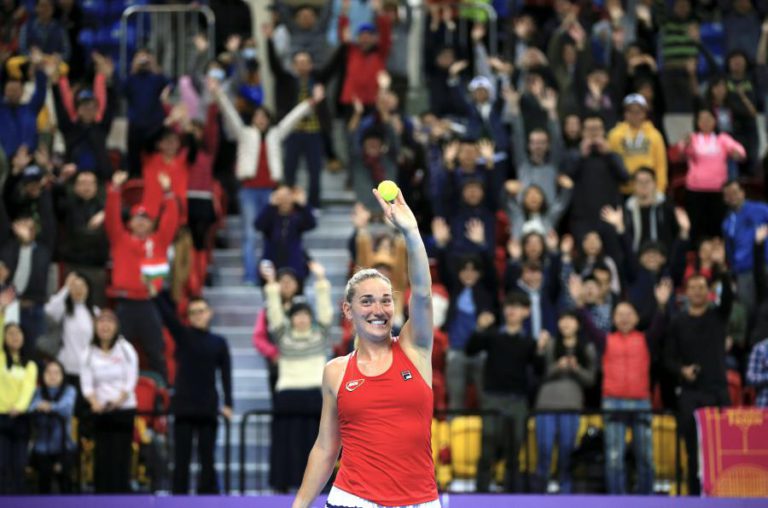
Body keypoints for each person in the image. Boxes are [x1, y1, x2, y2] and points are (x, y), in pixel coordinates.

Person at [291, 188, 438, 507]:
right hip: (352, 500)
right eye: (367, 301)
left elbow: (423, 295)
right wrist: (299, 505)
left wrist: (411, 232)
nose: (378, 309)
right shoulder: (336, 371)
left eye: (386, 300)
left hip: (420, 502)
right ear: (348, 311)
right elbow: (326, 447)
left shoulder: (416, 348)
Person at [209, 78, 324, 285]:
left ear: (268, 119)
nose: (261, 119)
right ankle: (251, 277)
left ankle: (270, 276)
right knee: (250, 235)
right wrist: (218, 94)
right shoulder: (244, 133)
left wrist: (311, 103)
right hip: (249, 189)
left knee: (271, 236)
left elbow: (292, 118)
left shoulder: (275, 134)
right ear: (253, 119)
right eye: (257, 116)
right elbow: (230, 114)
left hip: (272, 191)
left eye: (264, 116)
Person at [574, 276, 673, 495]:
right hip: (613, 401)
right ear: (613, 318)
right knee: (614, 457)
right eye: (620, 314)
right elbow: (588, 325)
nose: (624, 318)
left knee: (646, 457)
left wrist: (662, 304)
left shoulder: (646, 339)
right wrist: (580, 305)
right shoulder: (605, 340)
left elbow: (660, 323)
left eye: (629, 314)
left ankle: (647, 500)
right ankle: (616, 501)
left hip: (640, 402)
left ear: (637, 318)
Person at [149, 287, 232, 495]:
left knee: (207, 457)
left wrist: (229, 403)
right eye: (194, 312)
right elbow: (168, 317)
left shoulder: (219, 343)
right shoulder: (183, 335)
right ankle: (179, 499)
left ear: (209, 313)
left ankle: (208, 500)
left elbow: (226, 374)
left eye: (202, 311)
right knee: (181, 458)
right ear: (189, 317)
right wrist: (155, 293)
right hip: (184, 407)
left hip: (207, 407)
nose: (198, 315)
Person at [465, 292, 547, 492]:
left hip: (517, 400)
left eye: (517, 306)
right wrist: (479, 328)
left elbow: (539, 370)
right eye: (509, 305)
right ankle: (481, 493)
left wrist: (541, 351)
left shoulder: (529, 342)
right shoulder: (493, 336)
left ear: (527, 312)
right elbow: (470, 350)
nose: (511, 310)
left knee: (515, 448)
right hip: (493, 397)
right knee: (488, 445)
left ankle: (511, 495)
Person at [265, 261, 332, 492]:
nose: (302, 319)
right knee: (286, 444)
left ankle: (320, 487)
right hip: (287, 396)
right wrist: (272, 285)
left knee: (317, 444)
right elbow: (274, 313)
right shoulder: (283, 336)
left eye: (305, 315)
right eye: (297, 315)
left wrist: (321, 280)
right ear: (291, 318)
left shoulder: (320, 335)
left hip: (315, 396)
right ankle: (284, 487)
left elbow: (325, 312)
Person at [105, 170, 178, 383]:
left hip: (148, 303)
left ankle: (163, 394)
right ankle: (114, 389)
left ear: (152, 224)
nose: (141, 223)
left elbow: (171, 221)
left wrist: (168, 193)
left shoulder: (159, 241)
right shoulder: (120, 239)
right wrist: (115, 191)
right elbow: (111, 218)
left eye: (146, 219)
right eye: (137, 218)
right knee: (117, 352)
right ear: (130, 222)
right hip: (125, 303)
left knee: (156, 350)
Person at [665, 273, 733, 495]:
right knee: (693, 450)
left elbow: (729, 298)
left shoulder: (718, 316)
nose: (696, 291)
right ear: (685, 293)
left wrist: (722, 271)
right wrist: (682, 370)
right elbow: (668, 359)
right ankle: (695, 497)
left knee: (724, 448)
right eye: (692, 287)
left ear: (709, 292)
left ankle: (724, 494)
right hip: (690, 394)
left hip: (718, 392)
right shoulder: (678, 322)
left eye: (701, 287)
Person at [533, 310, 597, 494]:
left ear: (578, 324)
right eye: (562, 319)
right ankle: (540, 492)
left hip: (571, 405)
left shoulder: (587, 348)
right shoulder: (551, 344)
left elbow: (591, 379)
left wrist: (576, 368)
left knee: (567, 452)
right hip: (546, 405)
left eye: (570, 319)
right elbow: (540, 373)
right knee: (544, 450)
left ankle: (565, 492)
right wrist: (556, 366)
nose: (566, 323)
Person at [80, 309, 138, 493]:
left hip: (124, 410)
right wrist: (94, 402)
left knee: (121, 455)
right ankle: (101, 497)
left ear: (116, 326)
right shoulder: (88, 352)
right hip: (100, 411)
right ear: (95, 327)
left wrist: (118, 401)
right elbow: (87, 384)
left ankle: (122, 496)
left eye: (109, 322)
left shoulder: (126, 348)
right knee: (102, 455)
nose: (105, 326)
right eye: (101, 322)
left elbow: (131, 380)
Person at [679, 109, 746, 242]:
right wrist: (685, 145)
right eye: (702, 119)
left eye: (709, 118)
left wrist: (736, 153)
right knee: (696, 228)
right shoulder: (692, 138)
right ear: (697, 122)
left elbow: (740, 151)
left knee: (717, 228)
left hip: (718, 191)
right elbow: (682, 152)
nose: (705, 122)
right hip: (695, 191)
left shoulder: (722, 139)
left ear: (715, 121)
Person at [0, 288, 37, 494]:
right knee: (1, 465)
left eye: (17, 333)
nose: (14, 336)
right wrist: (2, 312)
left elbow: (28, 389)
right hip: (1, 417)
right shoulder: (0, 359)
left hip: (20, 418)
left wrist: (20, 407)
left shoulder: (30, 365)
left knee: (19, 465)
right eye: (9, 333)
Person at [29, 360, 77, 493]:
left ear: (62, 375)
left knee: (66, 486)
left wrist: (48, 406)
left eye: (56, 372)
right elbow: (31, 408)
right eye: (49, 372)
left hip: (63, 447)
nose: (52, 376)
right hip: (42, 447)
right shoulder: (38, 391)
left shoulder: (69, 390)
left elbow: (66, 408)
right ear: (43, 375)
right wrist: (45, 407)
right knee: (43, 486)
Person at [722, 179, 768, 317]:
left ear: (742, 193)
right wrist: (734, 271)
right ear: (725, 199)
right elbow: (729, 250)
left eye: (735, 192)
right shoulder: (726, 223)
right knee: (748, 312)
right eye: (728, 194)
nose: (732, 196)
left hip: (765, 265)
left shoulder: (761, 209)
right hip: (743, 271)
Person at [608, 94, 667, 196]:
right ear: (625, 113)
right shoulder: (614, 135)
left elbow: (661, 165)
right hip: (623, 190)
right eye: (630, 111)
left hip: (649, 190)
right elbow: (610, 163)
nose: (634, 115)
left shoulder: (655, 135)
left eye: (638, 111)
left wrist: (660, 190)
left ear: (644, 113)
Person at [44, 272, 96, 383]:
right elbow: (49, 310)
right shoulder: (64, 310)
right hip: (65, 368)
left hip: (88, 370)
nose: (79, 290)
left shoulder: (95, 313)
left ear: (88, 289)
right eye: (75, 286)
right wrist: (66, 288)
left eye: (82, 286)